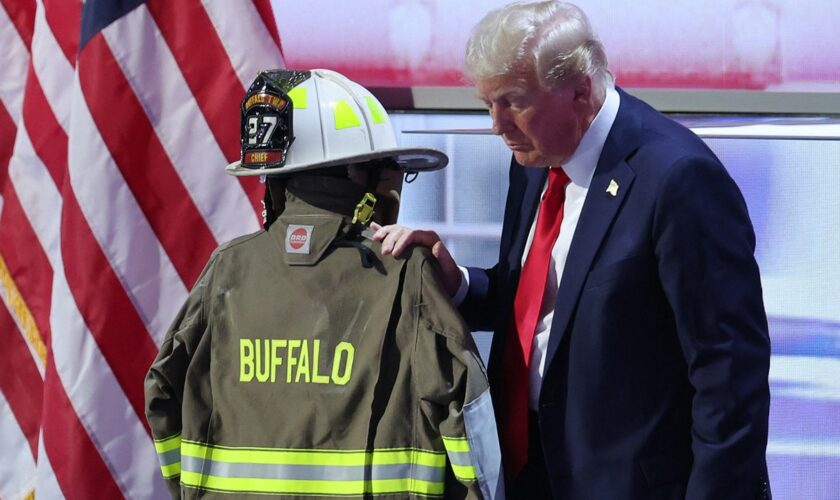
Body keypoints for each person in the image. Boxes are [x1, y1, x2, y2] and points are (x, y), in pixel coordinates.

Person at [372, 2, 772, 498]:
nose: (497, 125)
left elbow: (730, 378)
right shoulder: (536, 156)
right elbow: (541, 303)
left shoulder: (679, 180)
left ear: (581, 89)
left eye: (513, 101)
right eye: (486, 103)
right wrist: (459, 284)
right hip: (529, 472)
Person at [145, 68, 504, 499]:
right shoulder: (405, 273)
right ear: (361, 176)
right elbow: (468, 412)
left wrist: (191, 489)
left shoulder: (225, 270)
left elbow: (162, 390)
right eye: (390, 170)